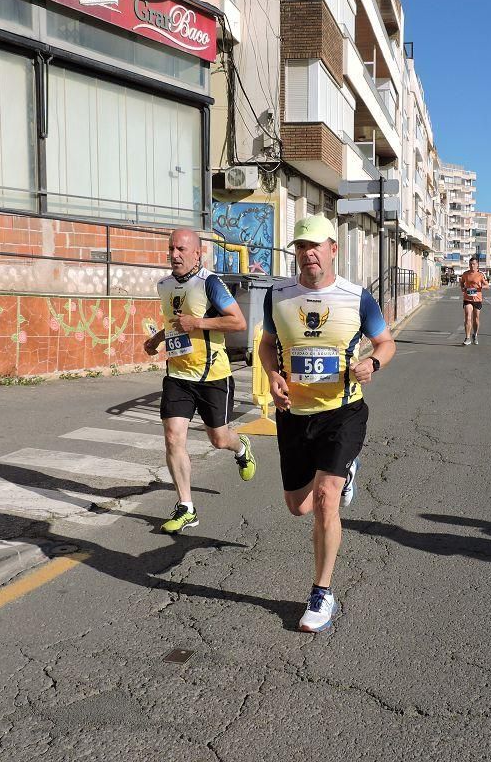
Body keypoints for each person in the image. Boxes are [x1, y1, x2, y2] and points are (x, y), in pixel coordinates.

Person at [259, 215, 395, 633]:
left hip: (342, 412)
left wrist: (372, 362)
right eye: (301, 246)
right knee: (298, 506)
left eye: (315, 245)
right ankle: (347, 470)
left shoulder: (357, 298)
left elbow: (387, 342)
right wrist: (273, 375)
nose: (308, 253)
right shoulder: (277, 296)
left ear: (333, 249)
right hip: (294, 416)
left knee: (324, 500)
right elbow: (267, 345)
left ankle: (321, 591)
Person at [143, 229, 257, 534]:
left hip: (212, 376)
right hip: (178, 374)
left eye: (181, 249)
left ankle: (241, 447)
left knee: (219, 439)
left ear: (198, 253)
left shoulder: (210, 283)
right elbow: (174, 323)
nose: (174, 254)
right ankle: (186, 506)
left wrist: (200, 323)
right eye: (171, 249)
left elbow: (238, 321)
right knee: (172, 436)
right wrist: (156, 339)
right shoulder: (164, 285)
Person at [459, 256, 486, 345]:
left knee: (476, 319)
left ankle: (475, 334)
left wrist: (480, 287)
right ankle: (467, 338)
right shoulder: (465, 274)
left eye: (474, 264)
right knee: (468, 317)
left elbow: (487, 285)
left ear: (477, 265)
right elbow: (462, 282)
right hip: (467, 298)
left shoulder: (481, 275)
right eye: (470, 264)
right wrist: (462, 288)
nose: (472, 266)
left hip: (477, 299)